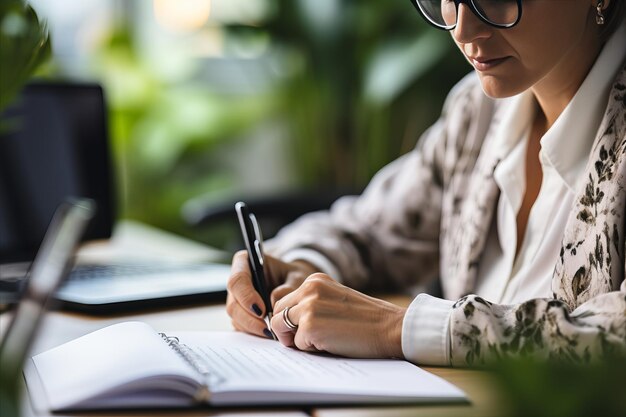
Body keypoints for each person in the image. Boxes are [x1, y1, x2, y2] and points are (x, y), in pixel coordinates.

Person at [226, 0, 626, 366]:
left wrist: (398, 329)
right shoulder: (478, 112)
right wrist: (300, 265)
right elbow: (371, 230)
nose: (463, 31)